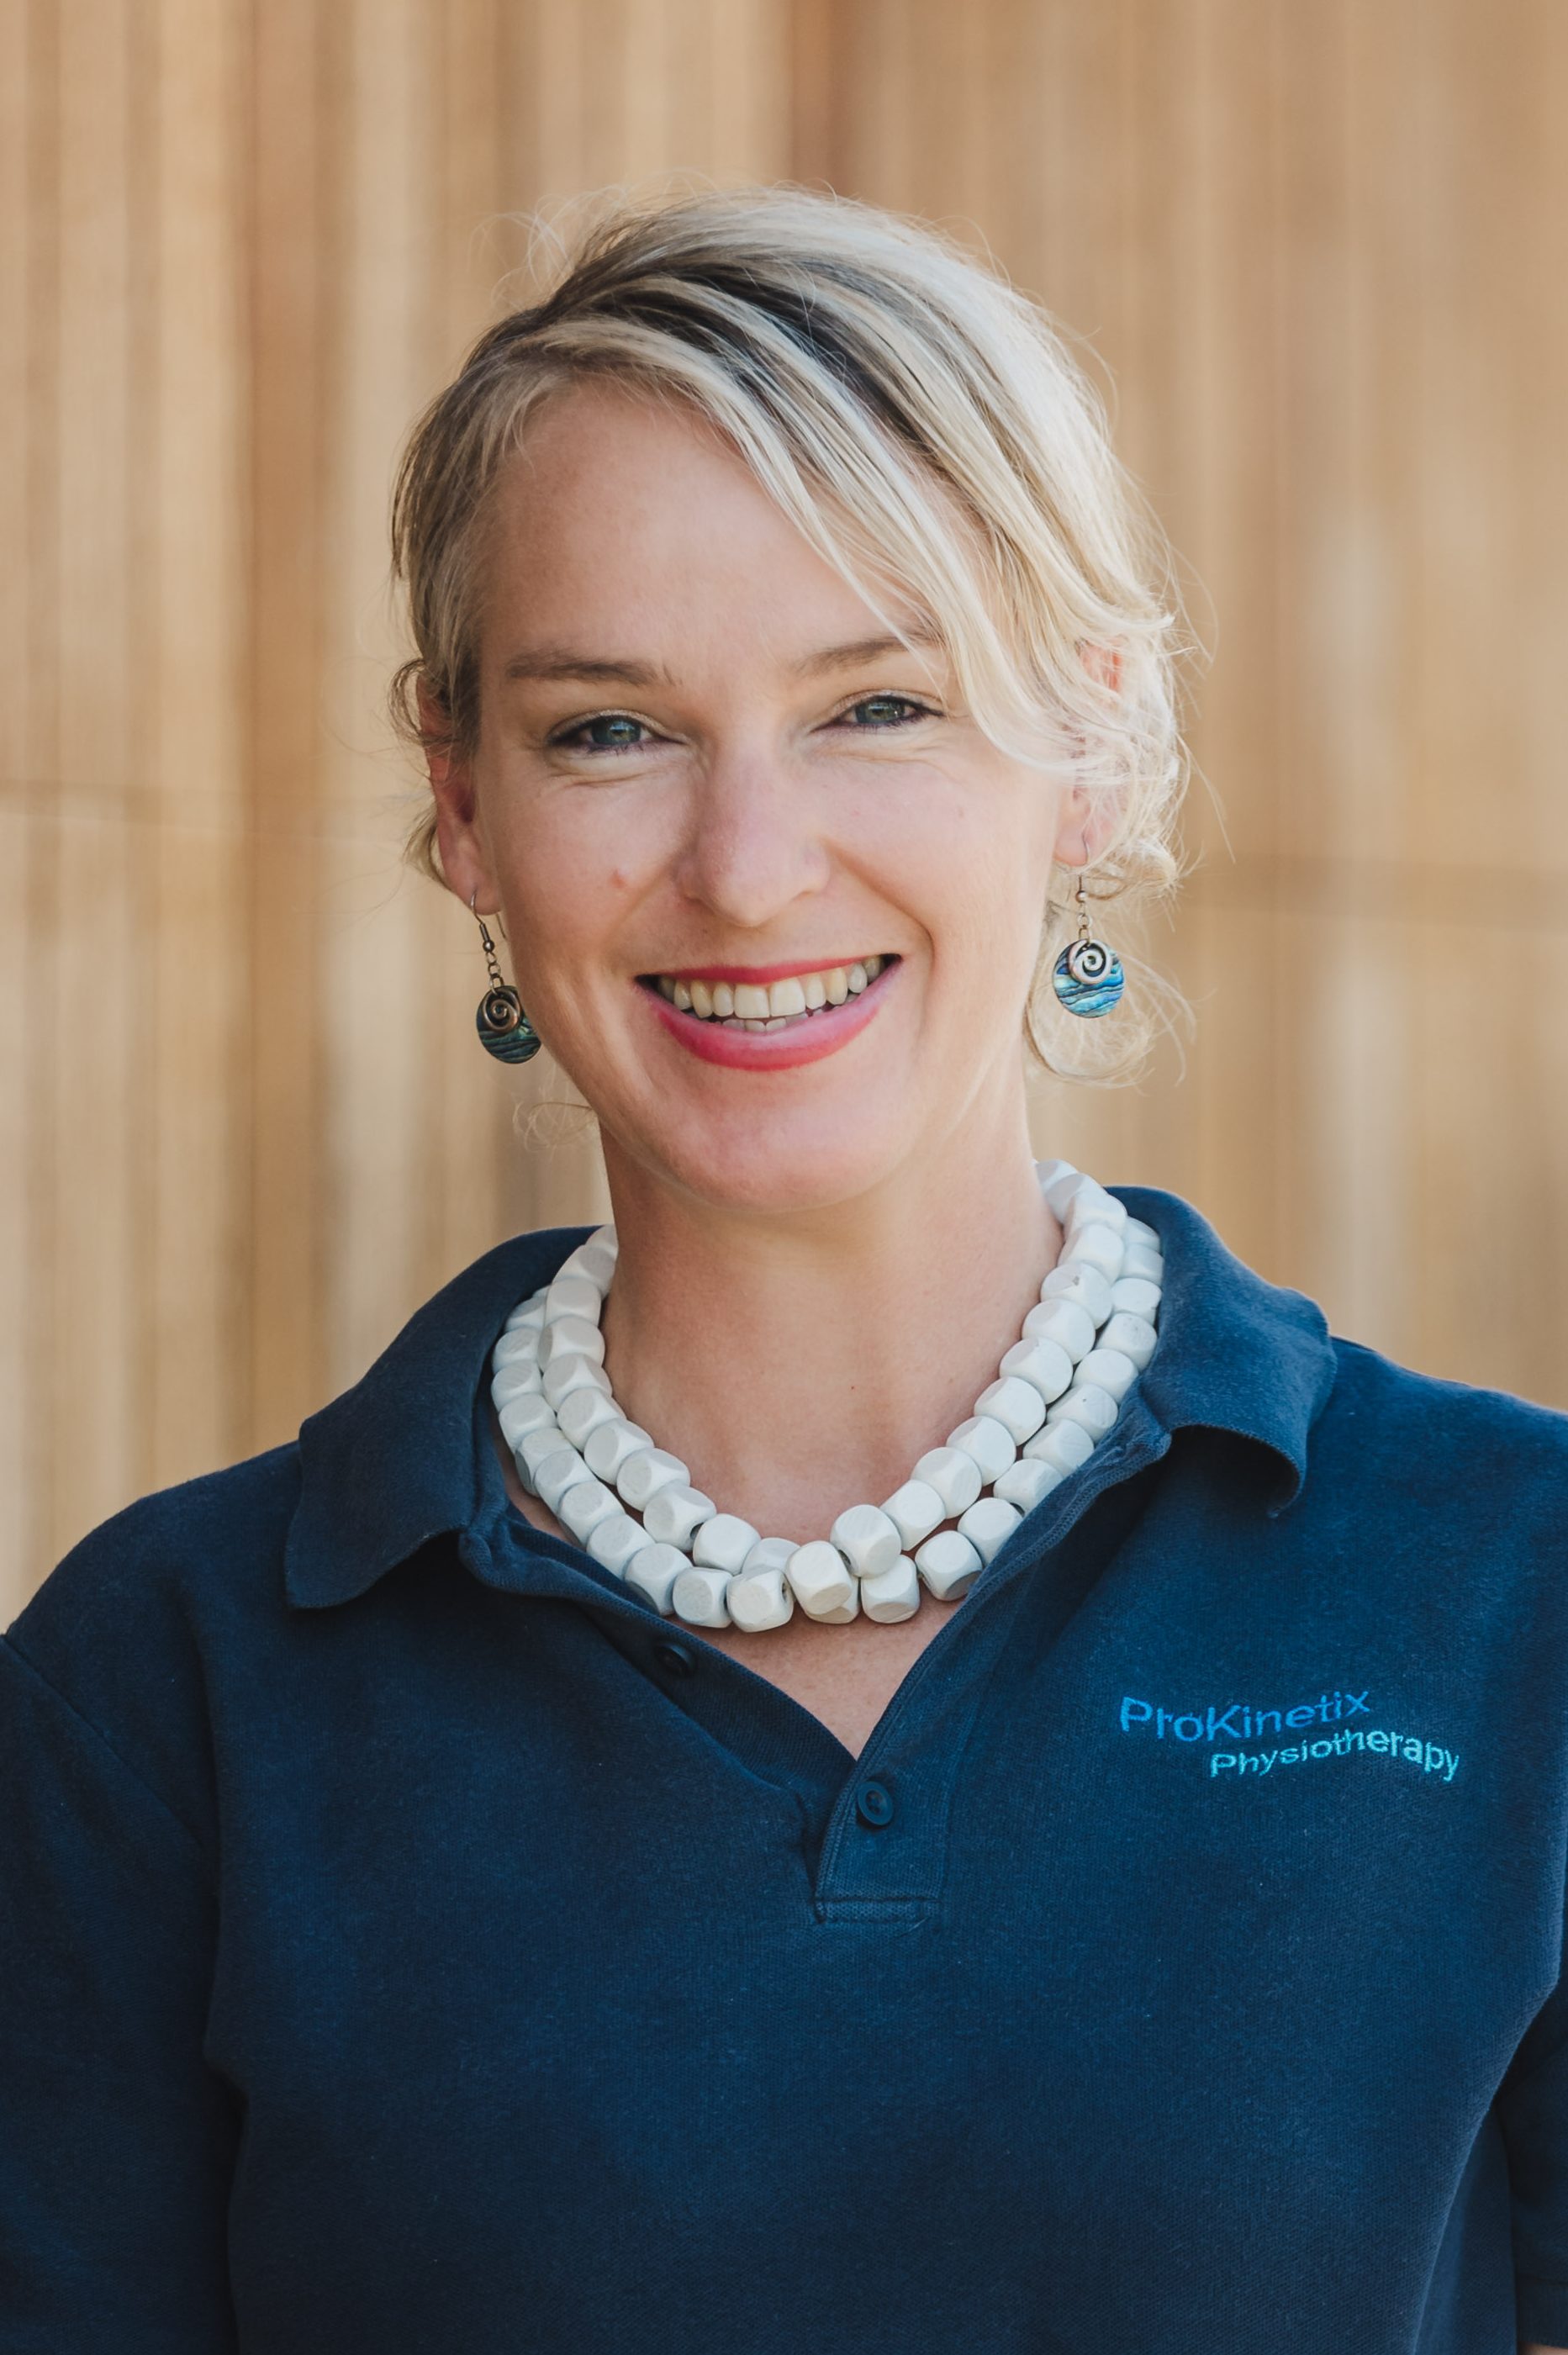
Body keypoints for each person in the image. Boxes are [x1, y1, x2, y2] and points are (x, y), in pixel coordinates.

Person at [2, 186, 1565, 2355]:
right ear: (460, 798)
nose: (746, 869)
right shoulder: (158, 1691)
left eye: (880, 706)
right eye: (610, 730)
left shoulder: (1511, 1589)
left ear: (1091, 750)